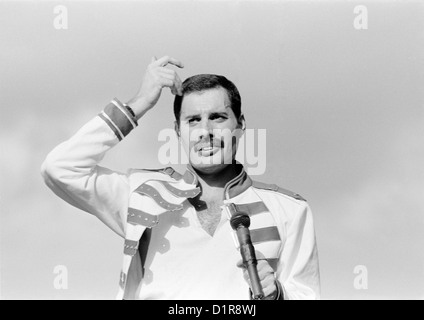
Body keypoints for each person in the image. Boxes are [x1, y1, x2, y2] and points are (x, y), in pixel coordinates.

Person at [41, 56, 320, 300]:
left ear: (241, 124)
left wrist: (278, 294)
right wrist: (140, 102)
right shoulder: (143, 196)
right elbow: (60, 168)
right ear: (178, 130)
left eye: (218, 117)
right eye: (193, 120)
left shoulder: (290, 210)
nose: (205, 131)